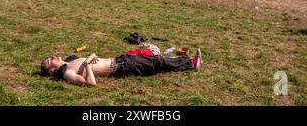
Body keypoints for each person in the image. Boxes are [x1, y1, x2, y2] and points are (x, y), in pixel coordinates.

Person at [40, 49, 202, 87]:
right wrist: (88, 63)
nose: (52, 57)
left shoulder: (68, 61)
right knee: (157, 62)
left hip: (119, 60)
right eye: (49, 61)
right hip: (120, 67)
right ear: (52, 71)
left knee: (155, 60)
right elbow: (90, 83)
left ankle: (186, 61)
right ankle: (191, 64)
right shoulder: (67, 73)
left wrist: (90, 58)